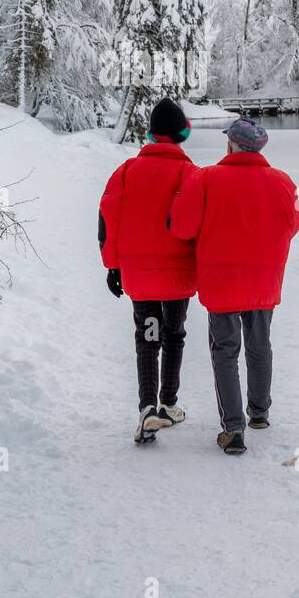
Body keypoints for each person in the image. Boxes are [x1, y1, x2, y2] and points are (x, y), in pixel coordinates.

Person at [169, 116, 299, 455]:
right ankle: (259, 413)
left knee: (225, 351)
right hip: (263, 279)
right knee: (260, 345)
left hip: (222, 281)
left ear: (230, 144)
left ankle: (233, 428)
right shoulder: (283, 182)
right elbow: (293, 223)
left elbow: (182, 227)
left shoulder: (206, 179)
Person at [98, 97, 196, 444]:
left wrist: (113, 267)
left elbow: (108, 218)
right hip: (178, 273)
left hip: (140, 274)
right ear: (180, 133)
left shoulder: (127, 171)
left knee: (148, 337)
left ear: (152, 133)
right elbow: (197, 223)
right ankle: (168, 404)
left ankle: (147, 409)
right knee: (174, 335)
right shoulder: (190, 173)